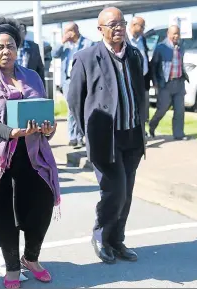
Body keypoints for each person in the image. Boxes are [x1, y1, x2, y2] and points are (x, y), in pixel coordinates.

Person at [0, 16, 60, 288]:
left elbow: (45, 109)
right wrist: (11, 132)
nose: (6, 51)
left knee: (40, 207)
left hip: (34, 155)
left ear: (17, 48)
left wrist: (47, 128)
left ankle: (31, 257)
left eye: (10, 45)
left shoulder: (31, 76)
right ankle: (11, 266)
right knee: (6, 213)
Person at [67, 7, 146, 264]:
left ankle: (116, 240)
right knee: (115, 191)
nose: (118, 28)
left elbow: (140, 92)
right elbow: (75, 100)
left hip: (132, 136)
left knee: (127, 193)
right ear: (100, 29)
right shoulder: (86, 57)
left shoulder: (134, 55)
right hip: (106, 140)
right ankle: (100, 236)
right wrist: (89, 135)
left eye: (121, 23)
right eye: (112, 24)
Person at [52, 22, 93, 148]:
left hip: (83, 80)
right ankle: (73, 137)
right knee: (72, 109)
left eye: (69, 31)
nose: (67, 34)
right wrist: (62, 41)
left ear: (76, 30)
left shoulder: (88, 43)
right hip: (68, 81)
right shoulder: (65, 45)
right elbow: (54, 54)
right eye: (65, 32)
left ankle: (80, 137)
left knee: (83, 108)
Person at [148, 25, 190, 140]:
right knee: (162, 109)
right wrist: (155, 82)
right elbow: (154, 66)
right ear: (168, 34)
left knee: (179, 110)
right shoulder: (161, 47)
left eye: (178, 34)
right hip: (165, 84)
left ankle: (178, 134)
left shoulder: (182, 46)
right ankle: (152, 125)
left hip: (179, 83)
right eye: (174, 33)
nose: (176, 36)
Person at [126, 17, 151, 132]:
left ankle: (142, 130)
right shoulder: (124, 39)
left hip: (143, 79)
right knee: (131, 107)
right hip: (129, 80)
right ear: (134, 25)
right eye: (142, 26)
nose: (143, 29)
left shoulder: (143, 39)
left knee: (144, 107)